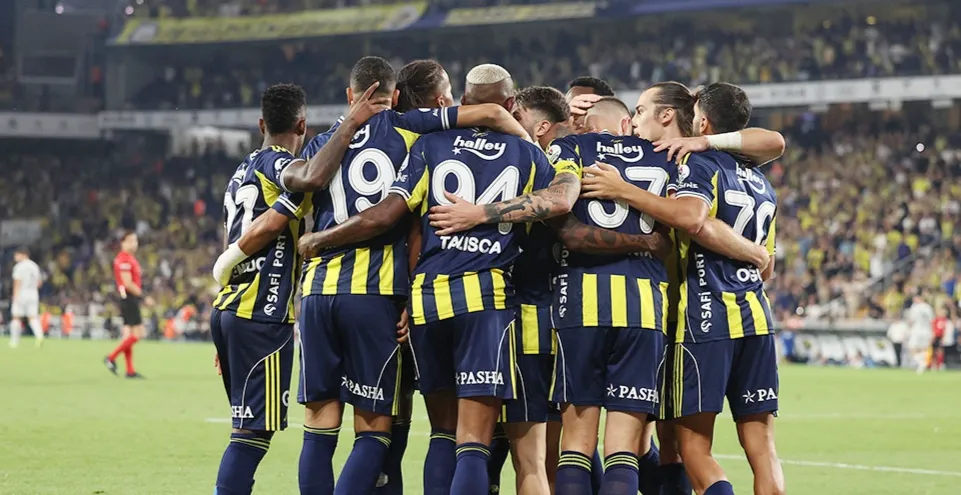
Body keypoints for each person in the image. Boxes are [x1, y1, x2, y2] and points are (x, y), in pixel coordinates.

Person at [212, 58, 533, 495]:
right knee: (375, 430)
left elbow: (287, 210)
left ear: (350, 96)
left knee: (319, 425)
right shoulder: (410, 128)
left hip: (317, 294)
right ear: (395, 96)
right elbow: (490, 116)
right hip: (376, 294)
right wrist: (527, 146)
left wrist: (232, 261)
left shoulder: (320, 145)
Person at [296, 64, 578, 495]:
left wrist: (321, 240)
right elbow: (560, 200)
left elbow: (402, 220)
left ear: (463, 102)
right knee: (473, 440)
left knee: (439, 431)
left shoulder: (429, 144)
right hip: (484, 299)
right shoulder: (526, 153)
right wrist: (485, 212)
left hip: (424, 301)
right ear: (509, 104)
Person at [578, 82, 785, 495]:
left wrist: (624, 190)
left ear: (699, 122)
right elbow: (768, 265)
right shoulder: (761, 180)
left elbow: (693, 219)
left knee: (684, 447)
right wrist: (755, 253)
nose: (634, 120)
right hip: (756, 318)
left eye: (640, 111)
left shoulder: (693, 163)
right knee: (762, 450)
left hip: (698, 317)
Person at [208, 83, 323, 495]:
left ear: (261, 125)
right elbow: (277, 216)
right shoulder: (281, 165)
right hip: (262, 313)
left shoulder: (242, 170)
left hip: (230, 309)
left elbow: (232, 234)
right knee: (252, 434)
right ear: (302, 126)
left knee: (247, 428)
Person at [104, 232, 148, 378]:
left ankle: (130, 370)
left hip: (127, 298)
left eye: (135, 240)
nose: (134, 244)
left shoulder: (128, 258)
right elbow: (127, 283)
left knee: (129, 335)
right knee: (139, 334)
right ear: (122, 243)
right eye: (130, 241)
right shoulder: (124, 259)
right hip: (129, 298)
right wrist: (143, 296)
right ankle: (111, 357)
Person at [9, 247, 43, 348]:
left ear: (23, 254)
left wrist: (15, 296)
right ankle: (39, 336)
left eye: (17, 255)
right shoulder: (34, 266)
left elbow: (17, 282)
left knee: (16, 317)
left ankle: (14, 341)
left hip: (21, 293)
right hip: (33, 293)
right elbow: (39, 282)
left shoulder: (19, 267)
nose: (15, 257)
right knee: (33, 317)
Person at [906, 292, 935, 375]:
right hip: (927, 331)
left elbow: (911, 320)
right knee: (923, 349)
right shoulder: (928, 307)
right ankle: (921, 366)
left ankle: (921, 363)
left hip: (917, 330)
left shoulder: (915, 307)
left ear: (918, 298)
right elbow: (932, 320)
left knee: (912, 348)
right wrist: (932, 332)